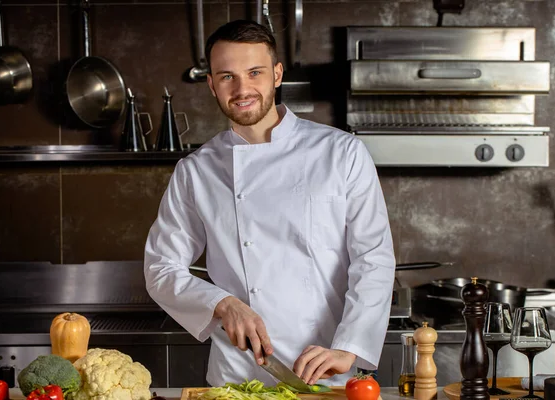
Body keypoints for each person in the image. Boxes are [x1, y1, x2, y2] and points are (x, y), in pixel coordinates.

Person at [144, 19, 396, 388]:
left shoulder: (341, 153)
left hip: (326, 368)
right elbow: (161, 268)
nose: (242, 88)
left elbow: (373, 258)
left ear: (277, 75)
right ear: (211, 84)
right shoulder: (196, 171)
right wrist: (221, 303)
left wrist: (349, 347)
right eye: (227, 76)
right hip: (238, 375)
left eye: (254, 72)